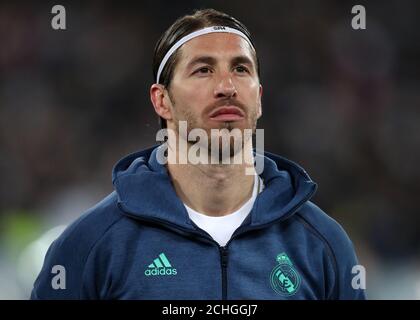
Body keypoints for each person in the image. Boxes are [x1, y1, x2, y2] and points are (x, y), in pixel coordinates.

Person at [31, 8, 366, 300]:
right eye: (203, 69)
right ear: (161, 101)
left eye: (240, 69)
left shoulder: (322, 245)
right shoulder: (91, 245)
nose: (227, 86)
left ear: (259, 97)